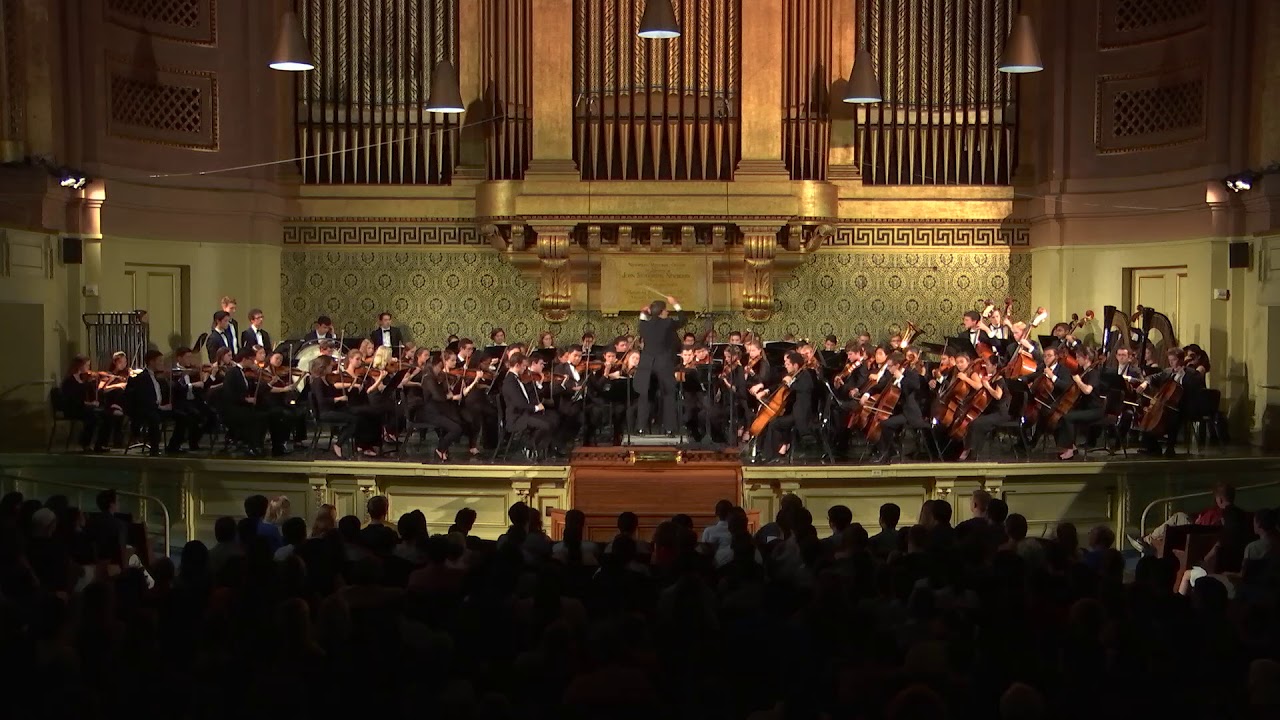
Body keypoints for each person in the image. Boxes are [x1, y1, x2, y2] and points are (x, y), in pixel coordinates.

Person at [634, 296, 686, 435]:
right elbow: (683, 320)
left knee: (645, 395)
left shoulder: (643, 324)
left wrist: (644, 312)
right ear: (662, 311)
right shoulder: (668, 323)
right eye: (666, 310)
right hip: (663, 363)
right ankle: (669, 428)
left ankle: (641, 427)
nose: (668, 312)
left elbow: (643, 318)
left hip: (646, 364)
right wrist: (675, 304)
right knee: (668, 394)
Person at [124, 349, 190, 456]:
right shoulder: (142, 378)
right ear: (151, 362)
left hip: (156, 408)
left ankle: (173, 446)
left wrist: (168, 380)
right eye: (159, 361)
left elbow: (168, 391)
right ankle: (154, 449)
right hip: (145, 410)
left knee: (182, 416)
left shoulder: (157, 377)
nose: (162, 364)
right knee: (154, 418)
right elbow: (144, 400)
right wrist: (161, 407)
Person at [501, 351, 553, 454]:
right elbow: (519, 404)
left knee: (551, 421)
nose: (525, 368)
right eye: (524, 366)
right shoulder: (510, 382)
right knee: (545, 426)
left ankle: (536, 450)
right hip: (516, 418)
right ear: (517, 365)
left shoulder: (516, 379)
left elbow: (526, 398)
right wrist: (536, 408)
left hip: (524, 414)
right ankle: (528, 447)